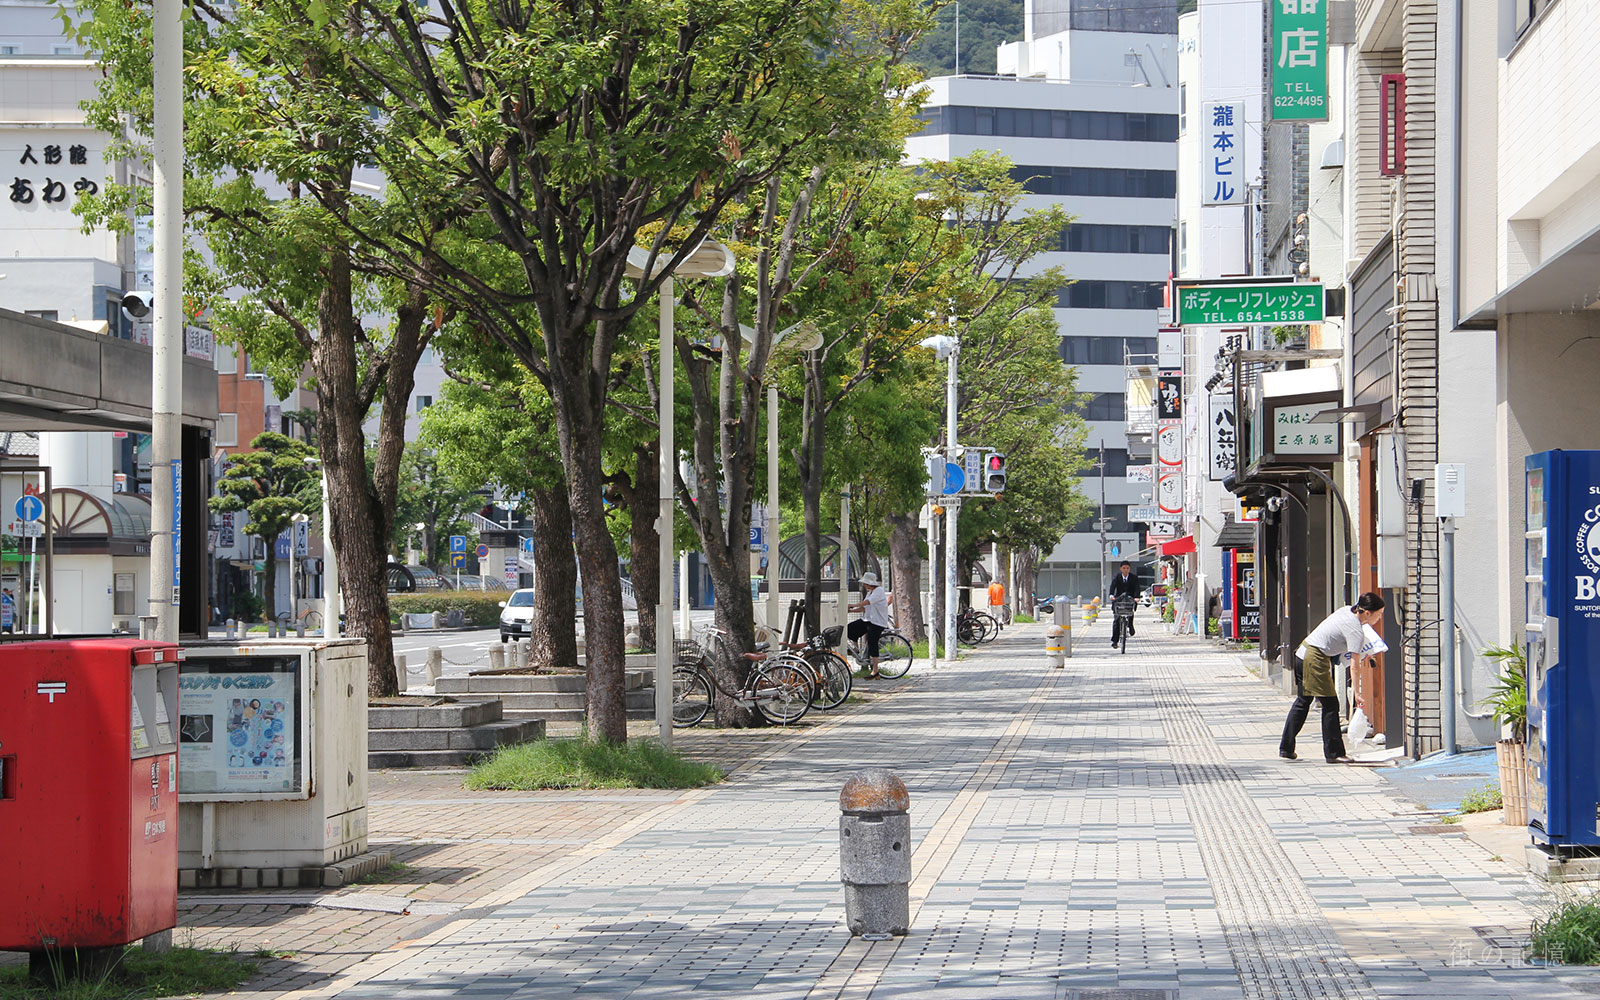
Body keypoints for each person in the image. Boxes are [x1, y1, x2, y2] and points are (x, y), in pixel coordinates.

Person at [1281, 592, 1385, 763]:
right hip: (1314, 658)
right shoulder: (1355, 630)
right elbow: (1354, 665)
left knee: (1303, 701)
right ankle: (1334, 753)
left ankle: (1286, 747)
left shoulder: (1347, 611)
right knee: (1331, 705)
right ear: (1368, 613)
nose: (1379, 618)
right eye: (1378, 614)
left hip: (1303, 652)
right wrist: (1357, 694)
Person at [847, 571, 891, 679]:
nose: (864, 585)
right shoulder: (870, 592)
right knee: (850, 628)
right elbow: (864, 608)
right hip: (868, 620)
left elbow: (868, 602)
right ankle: (856, 649)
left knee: (872, 643)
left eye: (865, 583)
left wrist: (852, 605)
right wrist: (852, 611)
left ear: (870, 583)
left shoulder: (878, 591)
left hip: (877, 622)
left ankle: (875, 671)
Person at [1107, 561, 1140, 647]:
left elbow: (1137, 588)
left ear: (1129, 569)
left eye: (1127, 568)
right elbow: (1112, 586)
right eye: (1124, 568)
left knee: (1130, 613)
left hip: (1130, 599)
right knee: (1116, 620)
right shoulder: (1117, 577)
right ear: (1121, 569)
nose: (1126, 570)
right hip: (1119, 599)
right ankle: (1115, 641)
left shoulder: (1134, 578)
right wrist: (1111, 595)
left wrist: (1136, 597)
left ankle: (1130, 626)